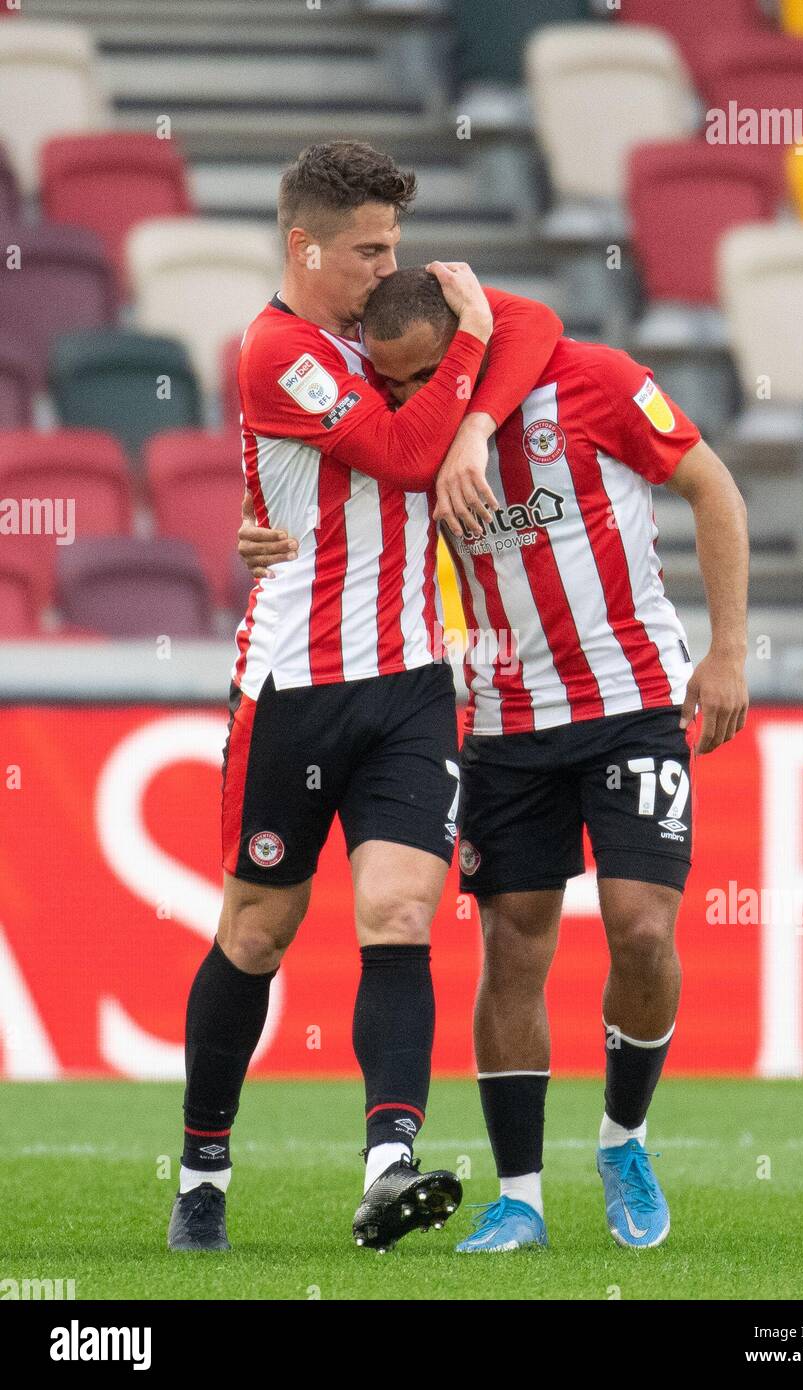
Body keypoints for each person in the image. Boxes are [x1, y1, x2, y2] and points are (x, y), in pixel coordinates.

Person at [239, 266, 750, 1254]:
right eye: (386, 384)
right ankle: (520, 1197)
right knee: (514, 946)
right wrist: (256, 535)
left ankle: (623, 1139)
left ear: (463, 338)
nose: (400, 397)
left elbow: (712, 485)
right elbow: (322, 510)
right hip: (505, 717)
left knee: (641, 928)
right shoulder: (413, 438)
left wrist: (729, 649)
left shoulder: (594, 381)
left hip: (632, 697)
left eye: (418, 376)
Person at [168, 143, 564, 1256]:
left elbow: (532, 326)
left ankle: (389, 1161)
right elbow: (399, 449)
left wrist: (481, 396)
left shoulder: (387, 319)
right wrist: (469, 360)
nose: (394, 264)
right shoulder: (277, 348)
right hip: (295, 684)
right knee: (258, 932)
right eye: (371, 248)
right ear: (307, 249)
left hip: (407, 681)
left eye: (394, 242)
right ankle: (203, 1165)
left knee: (396, 914)